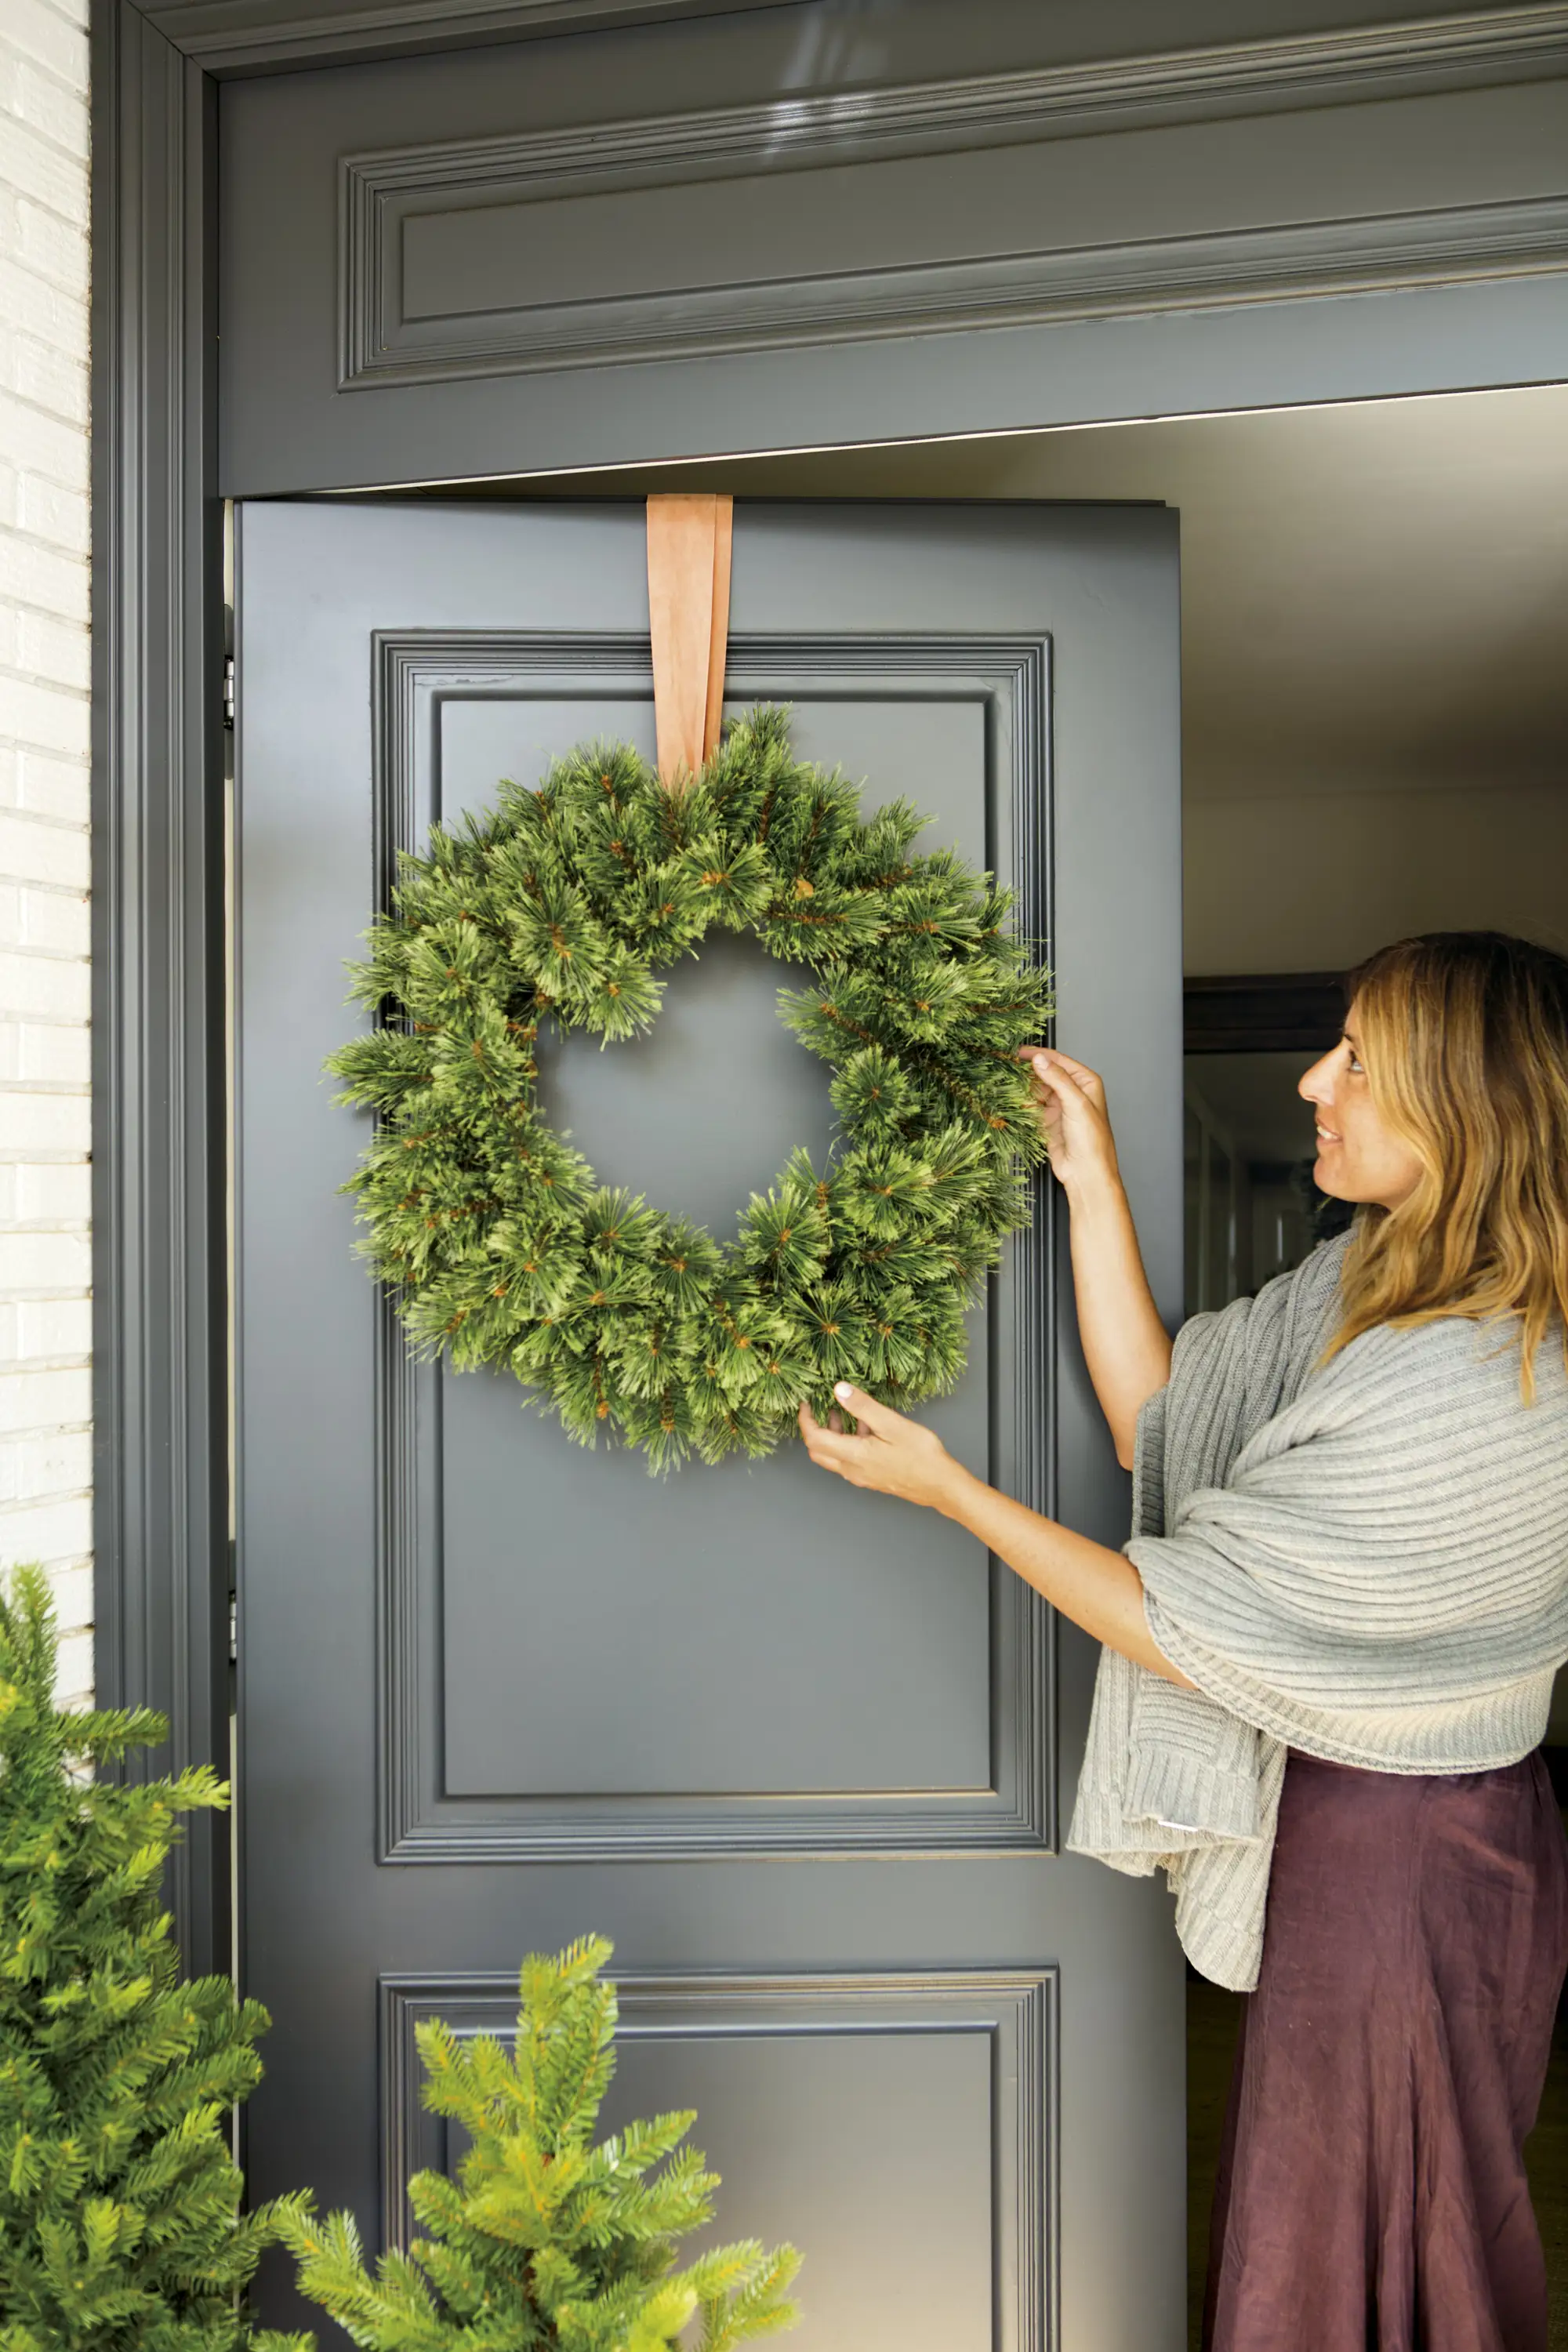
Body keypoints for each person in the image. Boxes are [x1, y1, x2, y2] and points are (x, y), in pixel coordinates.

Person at [798, 929, 1568, 2352]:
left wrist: (951, 1492)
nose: (1309, 1082)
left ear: (1468, 1104)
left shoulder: (1494, 1381)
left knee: (1380, 2248)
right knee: (1339, 2230)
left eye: (1355, 1058)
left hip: (1412, 1865)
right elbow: (1163, 1419)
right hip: (1376, 1844)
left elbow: (1176, 1623)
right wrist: (1089, 1176)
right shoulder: (1369, 1291)